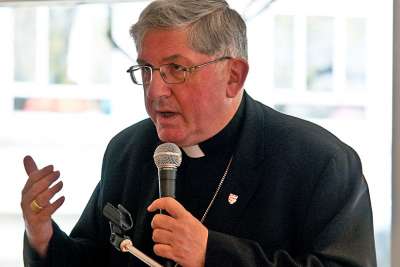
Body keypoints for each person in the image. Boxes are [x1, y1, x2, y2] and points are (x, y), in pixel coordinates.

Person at [21, 0, 377, 266]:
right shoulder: (127, 149)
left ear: (233, 76)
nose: (155, 90)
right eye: (146, 69)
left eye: (176, 69)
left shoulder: (320, 162)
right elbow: (96, 259)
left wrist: (212, 253)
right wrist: (43, 237)